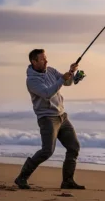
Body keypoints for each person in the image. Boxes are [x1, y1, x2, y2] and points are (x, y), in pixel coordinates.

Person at [14, 49, 85, 190]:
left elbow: (67, 83)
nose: (46, 61)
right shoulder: (32, 80)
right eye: (42, 60)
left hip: (62, 116)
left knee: (74, 147)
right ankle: (22, 177)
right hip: (47, 118)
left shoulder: (51, 71)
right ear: (34, 62)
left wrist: (71, 73)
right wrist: (62, 79)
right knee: (47, 151)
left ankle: (67, 181)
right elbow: (47, 93)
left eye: (46, 58)